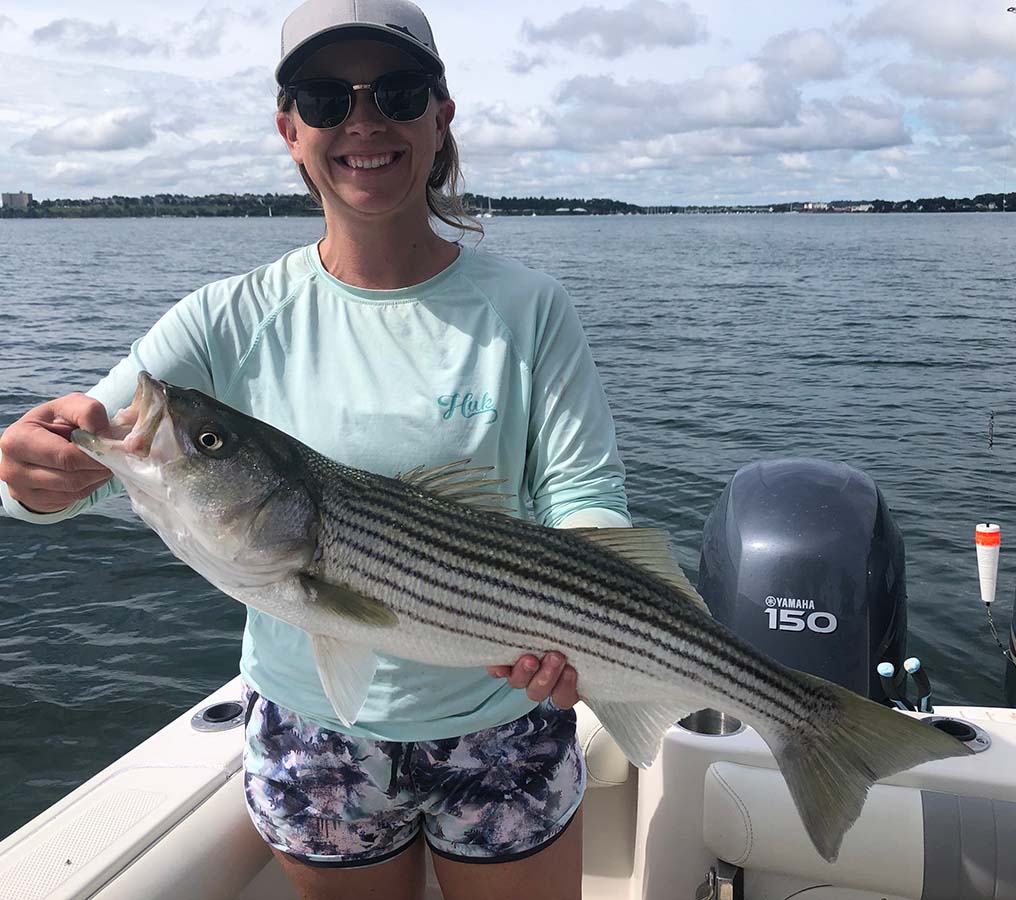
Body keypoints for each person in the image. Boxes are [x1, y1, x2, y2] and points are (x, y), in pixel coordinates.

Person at [0, 0, 630, 897]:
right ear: (290, 129)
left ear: (441, 117)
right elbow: (90, 453)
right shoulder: (226, 319)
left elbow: (583, 489)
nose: (363, 122)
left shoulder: (528, 308)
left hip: (505, 716)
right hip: (312, 733)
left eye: (398, 93)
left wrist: (585, 620)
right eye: (326, 98)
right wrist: (28, 473)